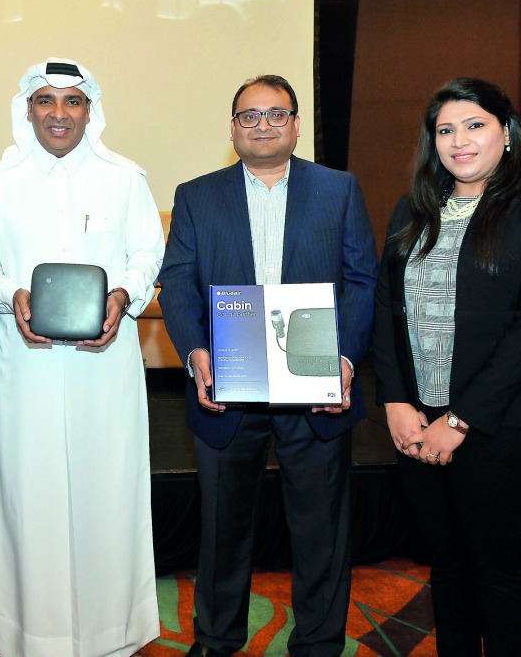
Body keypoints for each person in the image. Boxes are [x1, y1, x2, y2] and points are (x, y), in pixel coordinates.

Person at [159, 74, 377, 657]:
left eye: (276, 114)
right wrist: (194, 351)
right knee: (223, 530)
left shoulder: (339, 189)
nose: (263, 125)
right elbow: (177, 282)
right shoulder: (196, 195)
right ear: (232, 129)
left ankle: (320, 643)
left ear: (296, 124)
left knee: (321, 531)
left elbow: (361, 280)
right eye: (250, 116)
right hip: (227, 383)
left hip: (315, 386)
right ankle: (216, 638)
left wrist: (347, 358)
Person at [372, 77, 521, 655]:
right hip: (418, 420)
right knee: (447, 563)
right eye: (445, 130)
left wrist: (460, 420)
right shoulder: (414, 208)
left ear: (507, 133)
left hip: (506, 423)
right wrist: (394, 400)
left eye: (474, 125)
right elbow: (387, 307)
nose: (459, 141)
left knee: (494, 567)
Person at [0, 57, 165, 656]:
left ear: (89, 111)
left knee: (109, 491)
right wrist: (9, 295)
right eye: (45, 101)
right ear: (28, 109)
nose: (58, 113)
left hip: (106, 368)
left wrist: (125, 295)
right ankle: (28, 634)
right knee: (27, 495)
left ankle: (112, 634)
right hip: (25, 366)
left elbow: (146, 255)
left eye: (71, 101)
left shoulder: (125, 179)